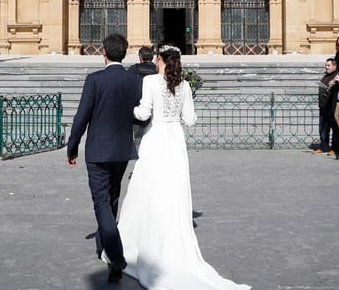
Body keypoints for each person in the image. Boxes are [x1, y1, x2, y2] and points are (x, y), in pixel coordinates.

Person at [113, 44, 250, 289]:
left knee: (149, 188)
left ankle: (141, 239)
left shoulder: (151, 82)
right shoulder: (185, 85)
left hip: (155, 139)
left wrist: (124, 108)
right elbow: (190, 119)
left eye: (157, 58)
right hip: (174, 140)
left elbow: (143, 115)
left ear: (160, 59)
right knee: (172, 189)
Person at [66, 33, 142, 283]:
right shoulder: (134, 81)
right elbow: (138, 114)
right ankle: (105, 247)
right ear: (125, 53)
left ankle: (116, 255)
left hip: (98, 150)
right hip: (122, 150)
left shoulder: (94, 80)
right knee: (112, 197)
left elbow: (82, 116)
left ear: (104, 54)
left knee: (101, 200)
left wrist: (72, 146)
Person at [312, 57, 339, 156]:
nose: (326, 67)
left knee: (334, 129)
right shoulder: (326, 76)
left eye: (328, 65)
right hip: (323, 106)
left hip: (332, 107)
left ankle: (335, 148)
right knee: (323, 128)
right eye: (326, 65)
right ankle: (323, 146)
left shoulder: (337, 76)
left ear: (334, 66)